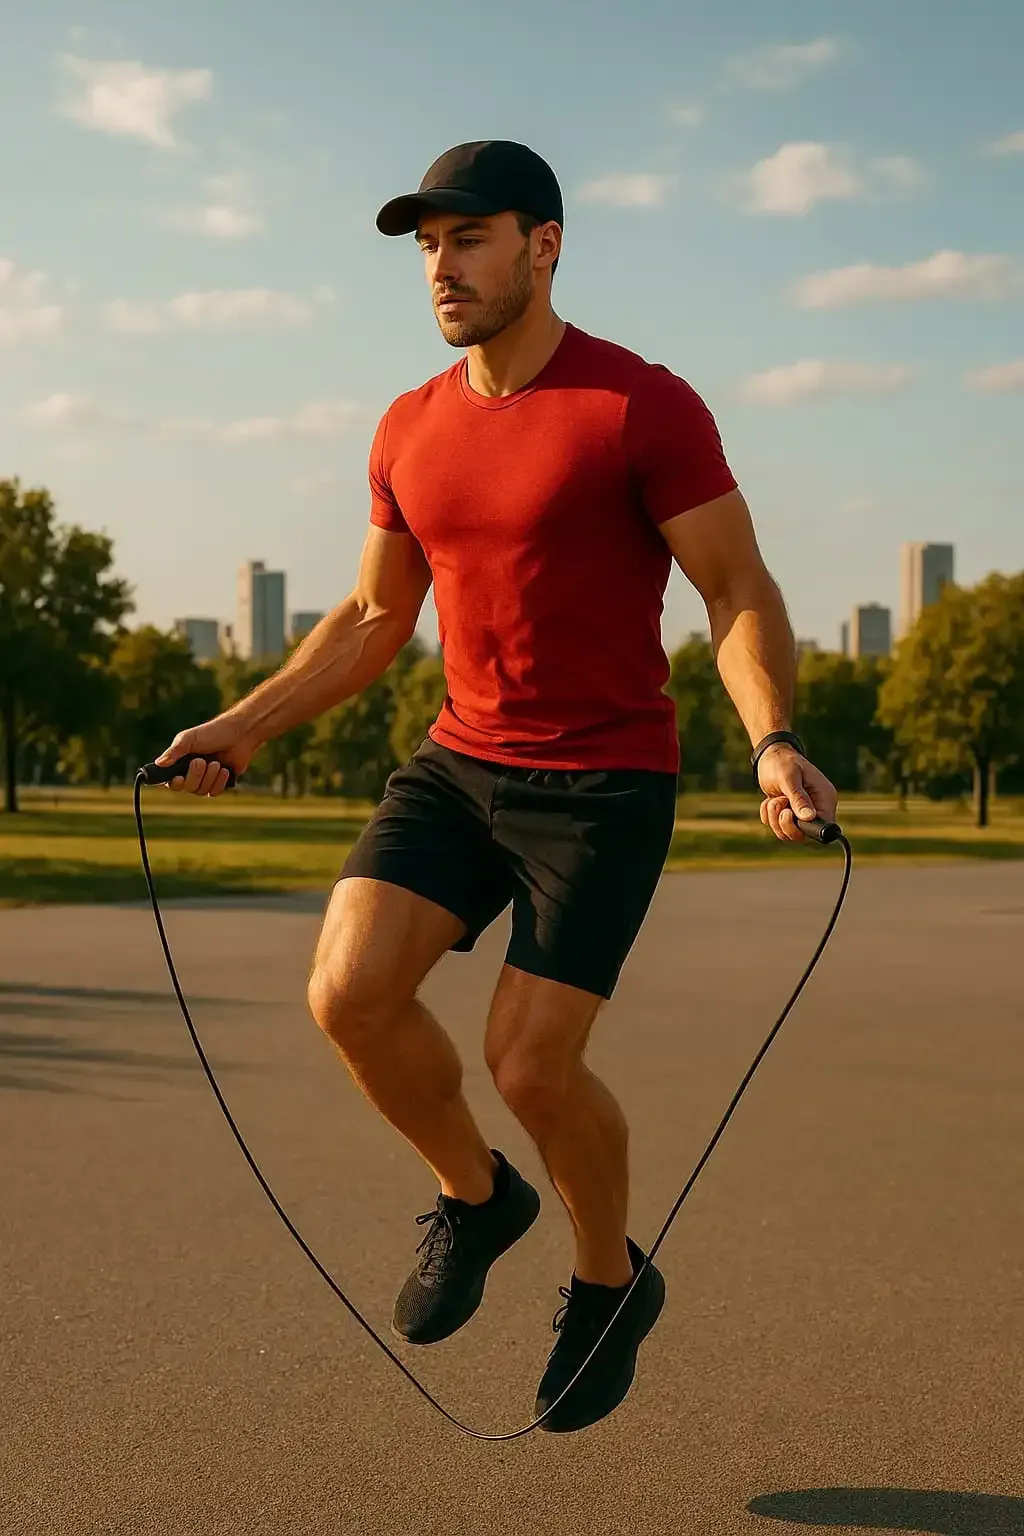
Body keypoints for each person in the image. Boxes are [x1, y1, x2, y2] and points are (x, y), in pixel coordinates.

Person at [156, 139, 839, 1435]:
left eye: (468, 238)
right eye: (426, 245)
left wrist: (769, 739)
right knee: (346, 993)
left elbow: (736, 590)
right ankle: (479, 1201)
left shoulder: (640, 407)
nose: (442, 266)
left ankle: (606, 1279)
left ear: (546, 245)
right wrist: (240, 723)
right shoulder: (410, 425)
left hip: (603, 784)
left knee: (529, 1065)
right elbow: (371, 617)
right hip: (461, 762)